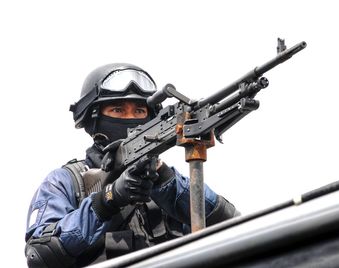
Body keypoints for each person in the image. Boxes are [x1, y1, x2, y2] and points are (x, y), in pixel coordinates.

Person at [24, 63, 239, 267]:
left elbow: (231, 227)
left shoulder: (163, 182)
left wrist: (167, 183)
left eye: (139, 111)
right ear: (94, 118)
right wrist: (107, 200)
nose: (130, 118)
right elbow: (40, 255)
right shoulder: (66, 181)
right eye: (117, 110)